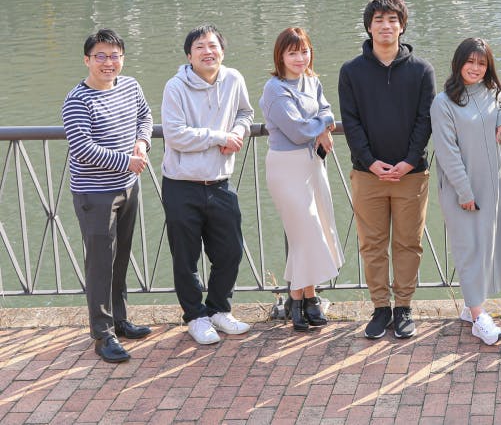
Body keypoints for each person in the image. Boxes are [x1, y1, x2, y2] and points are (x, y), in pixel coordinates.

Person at [339, 0, 435, 340]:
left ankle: (403, 307)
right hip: (368, 174)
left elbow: (425, 120)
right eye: (378, 19)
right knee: (373, 244)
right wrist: (369, 160)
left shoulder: (421, 70)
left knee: (408, 243)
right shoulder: (352, 71)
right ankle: (380, 307)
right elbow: (350, 122)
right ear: (368, 26)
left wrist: (409, 161)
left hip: (412, 174)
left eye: (393, 20)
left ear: (402, 26)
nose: (385, 26)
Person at [62, 29, 154, 363]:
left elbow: (145, 116)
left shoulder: (130, 86)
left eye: (114, 56)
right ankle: (102, 335)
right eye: (100, 56)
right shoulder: (77, 100)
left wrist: (141, 143)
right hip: (94, 194)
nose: (108, 62)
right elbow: (82, 148)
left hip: (128, 186)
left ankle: (119, 319)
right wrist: (126, 161)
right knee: (100, 263)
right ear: (86, 60)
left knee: (120, 256)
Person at [161, 25, 255, 345]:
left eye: (213, 46)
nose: (207, 52)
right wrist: (219, 137)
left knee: (230, 251)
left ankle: (218, 310)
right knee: (185, 257)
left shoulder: (234, 79)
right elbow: (175, 135)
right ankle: (195, 317)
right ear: (189, 56)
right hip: (181, 183)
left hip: (220, 182)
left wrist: (238, 132)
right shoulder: (175, 87)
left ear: (222, 52)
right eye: (199, 47)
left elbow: (245, 112)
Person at [430, 38, 501, 346]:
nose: (475, 68)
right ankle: (479, 317)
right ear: (458, 63)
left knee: (490, 245)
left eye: (482, 63)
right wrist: (464, 191)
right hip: (463, 187)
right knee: (469, 247)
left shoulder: (491, 91)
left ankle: (471, 305)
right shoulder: (443, 103)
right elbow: (446, 151)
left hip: (494, 183)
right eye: (470, 62)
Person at [260, 27, 342, 333]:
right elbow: (297, 131)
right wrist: (324, 126)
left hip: (312, 164)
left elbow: (325, 108)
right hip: (286, 166)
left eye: (304, 51)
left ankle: (307, 297)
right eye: (292, 53)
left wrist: (322, 125)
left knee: (310, 232)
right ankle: (298, 296)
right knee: (306, 232)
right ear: (280, 56)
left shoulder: (311, 80)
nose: (300, 58)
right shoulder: (274, 88)